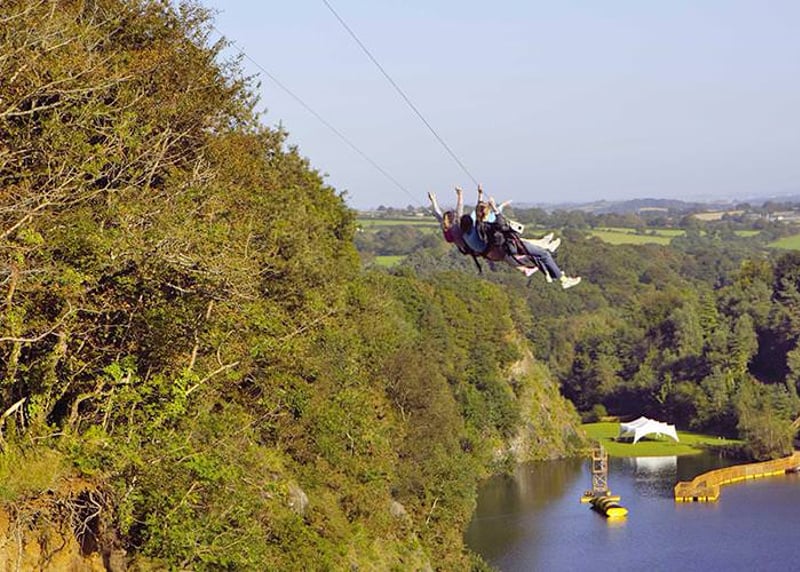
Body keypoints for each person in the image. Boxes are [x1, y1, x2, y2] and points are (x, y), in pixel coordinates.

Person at [468, 196, 581, 289]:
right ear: (486, 213)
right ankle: (562, 279)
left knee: (538, 257)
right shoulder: (490, 226)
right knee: (544, 254)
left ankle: (557, 274)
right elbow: (500, 223)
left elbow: (482, 214)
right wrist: (495, 208)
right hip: (513, 247)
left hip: (507, 251)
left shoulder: (479, 226)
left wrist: (480, 195)